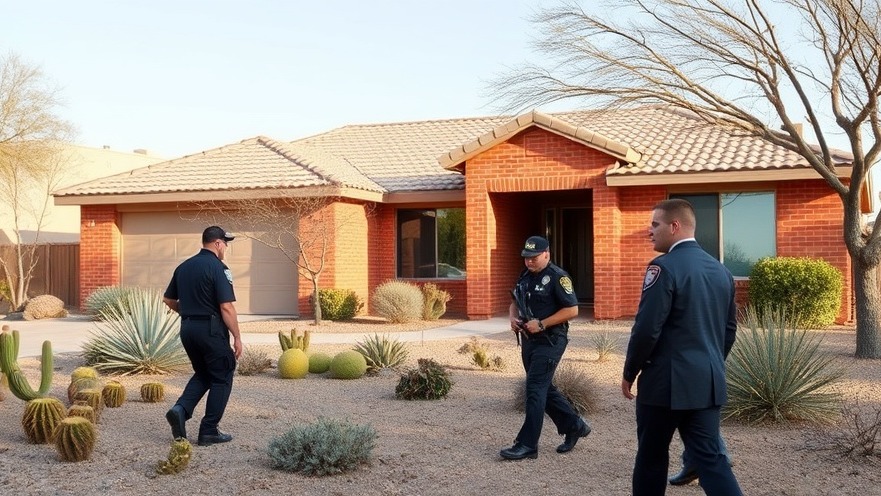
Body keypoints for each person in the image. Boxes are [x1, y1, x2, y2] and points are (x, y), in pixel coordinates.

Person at [621, 199, 742, 495]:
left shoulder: (663, 268)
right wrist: (709, 365)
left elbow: (647, 330)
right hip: (707, 383)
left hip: (665, 386)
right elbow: (729, 330)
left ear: (674, 227)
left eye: (655, 224)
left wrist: (630, 372)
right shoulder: (721, 271)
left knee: (651, 459)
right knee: (712, 461)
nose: (650, 231)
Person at [499, 235, 590, 460]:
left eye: (534, 257)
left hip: (551, 341)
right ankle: (574, 425)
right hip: (530, 342)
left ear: (547, 254)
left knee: (535, 390)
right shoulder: (525, 276)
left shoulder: (558, 277)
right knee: (544, 389)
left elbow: (572, 310)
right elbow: (515, 301)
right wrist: (513, 318)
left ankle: (527, 445)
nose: (529, 261)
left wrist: (541, 324)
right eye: (526, 258)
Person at [163, 225, 244, 447]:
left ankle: (180, 409)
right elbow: (226, 307)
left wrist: (189, 313)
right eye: (225, 244)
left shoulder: (184, 267)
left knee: (204, 373)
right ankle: (209, 431)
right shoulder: (219, 268)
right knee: (223, 374)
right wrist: (237, 337)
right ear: (218, 244)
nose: (225, 248)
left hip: (188, 329)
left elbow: (168, 300)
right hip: (210, 330)